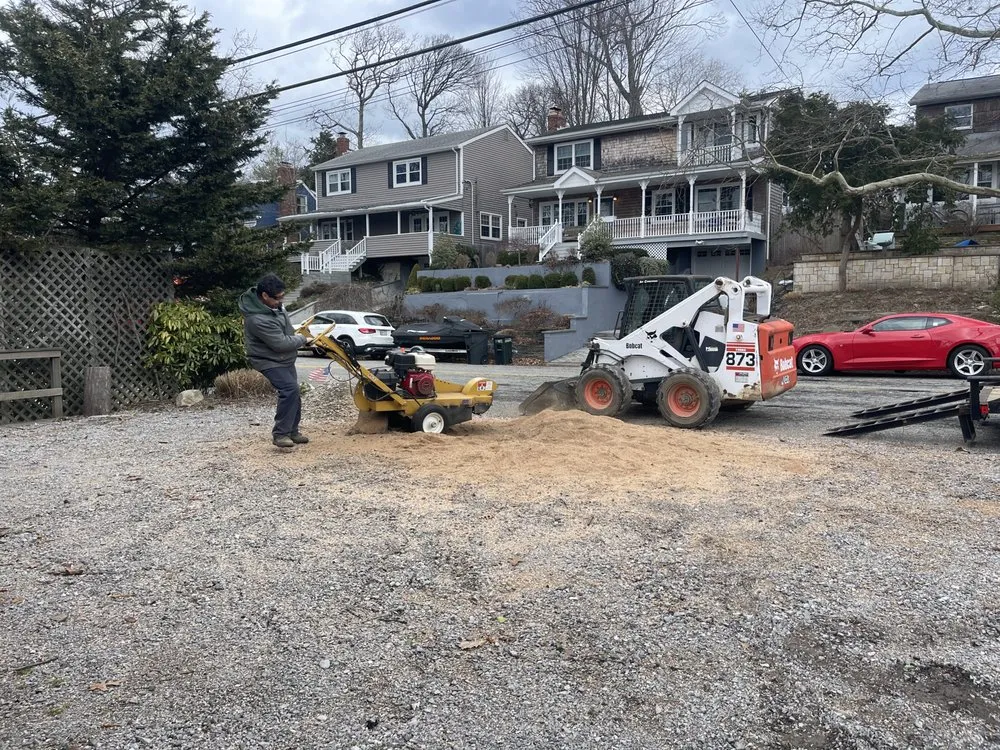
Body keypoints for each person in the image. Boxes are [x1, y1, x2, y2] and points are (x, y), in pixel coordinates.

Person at [238, 274, 310, 448]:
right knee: (289, 389)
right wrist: (303, 339)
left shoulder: (274, 307)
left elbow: (286, 331)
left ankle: (292, 431)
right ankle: (280, 434)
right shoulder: (257, 319)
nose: (281, 301)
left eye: (282, 296)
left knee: (294, 393)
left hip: (284, 358)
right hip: (268, 360)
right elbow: (280, 343)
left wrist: (297, 334)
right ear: (264, 296)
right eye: (278, 298)